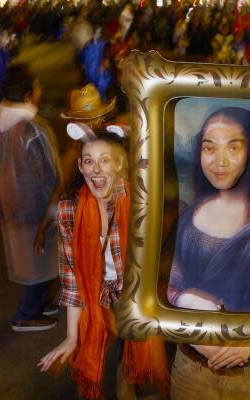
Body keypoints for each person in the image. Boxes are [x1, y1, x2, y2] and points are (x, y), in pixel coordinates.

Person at [167, 106, 250, 398]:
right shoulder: (187, 218)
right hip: (192, 371)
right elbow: (167, 285)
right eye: (209, 147)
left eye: (233, 147)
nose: (219, 161)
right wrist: (194, 318)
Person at [39, 127, 168, 399]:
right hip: (92, 297)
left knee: (135, 354)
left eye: (105, 160)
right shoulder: (68, 209)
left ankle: (128, 382)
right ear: (80, 166)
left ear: (119, 164)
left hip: (131, 294)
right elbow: (72, 279)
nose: (96, 170)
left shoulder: (137, 200)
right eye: (88, 161)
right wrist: (71, 337)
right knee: (90, 363)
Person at [0, 66, 60, 332]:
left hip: (12, 206)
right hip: (36, 207)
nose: (41, 92)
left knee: (31, 258)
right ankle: (26, 313)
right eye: (39, 87)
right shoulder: (32, 129)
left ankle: (39, 303)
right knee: (37, 257)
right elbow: (50, 176)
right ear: (29, 95)